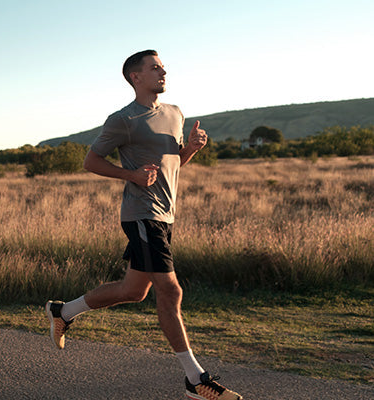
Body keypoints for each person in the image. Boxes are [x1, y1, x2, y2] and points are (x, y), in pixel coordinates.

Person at [44, 50, 242, 400]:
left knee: (133, 292)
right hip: (141, 214)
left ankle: (64, 311)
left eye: (162, 67)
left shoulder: (175, 114)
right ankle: (195, 380)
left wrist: (191, 149)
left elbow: (174, 164)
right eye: (155, 68)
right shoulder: (124, 119)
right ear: (136, 77)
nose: (163, 72)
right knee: (171, 291)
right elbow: (91, 160)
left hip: (166, 215)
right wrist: (130, 174)